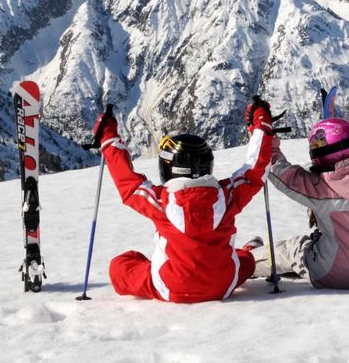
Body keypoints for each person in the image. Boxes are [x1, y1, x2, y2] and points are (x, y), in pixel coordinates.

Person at [93, 106, 275, 303]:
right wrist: (261, 124)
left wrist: (107, 135)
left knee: (121, 265)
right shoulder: (228, 195)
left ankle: (242, 255)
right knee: (245, 262)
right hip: (223, 284)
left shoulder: (161, 201)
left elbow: (126, 181)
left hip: (171, 286)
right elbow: (256, 169)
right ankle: (248, 252)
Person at [245, 99, 349, 289]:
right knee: (318, 242)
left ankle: (246, 261)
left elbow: (280, 171)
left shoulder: (321, 187)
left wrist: (263, 135)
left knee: (294, 249)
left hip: (332, 273)